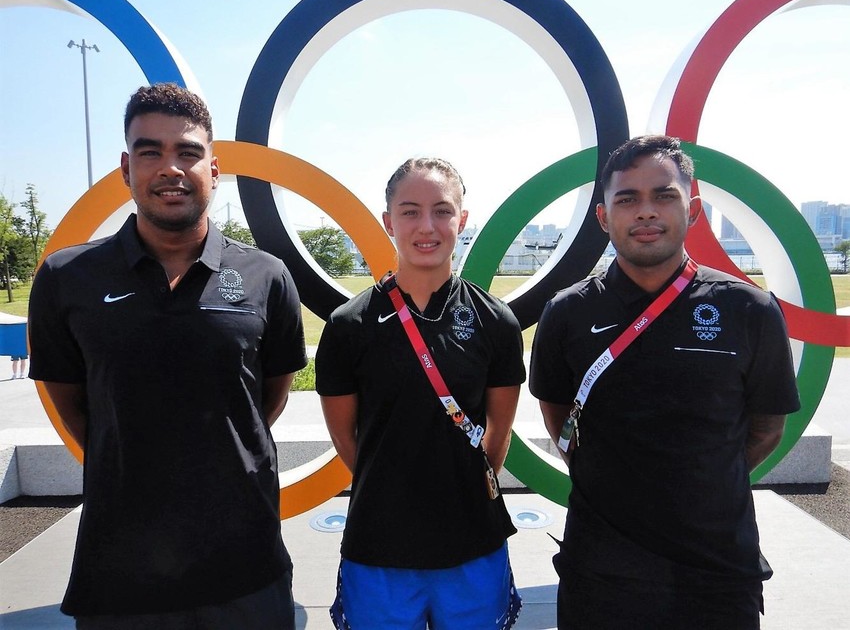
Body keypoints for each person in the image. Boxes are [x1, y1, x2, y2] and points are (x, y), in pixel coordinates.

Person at [28, 83, 307, 629]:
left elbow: (267, 398)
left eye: (187, 152)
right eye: (150, 151)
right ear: (126, 168)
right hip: (122, 567)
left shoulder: (267, 277)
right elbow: (72, 400)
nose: (170, 168)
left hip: (245, 563)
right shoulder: (67, 278)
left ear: (214, 168)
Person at [529, 135, 800, 630]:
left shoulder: (749, 309)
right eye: (627, 199)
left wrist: (701, 481)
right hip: (601, 575)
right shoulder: (567, 312)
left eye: (664, 195)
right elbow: (559, 417)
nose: (645, 212)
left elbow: (767, 429)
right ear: (603, 217)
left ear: (692, 208)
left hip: (716, 574)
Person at [315, 158, 525, 629]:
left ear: (462, 220)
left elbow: (498, 435)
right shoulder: (349, 326)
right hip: (379, 544)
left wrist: (455, 484)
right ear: (388, 221)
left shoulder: (496, 322)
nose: (426, 226)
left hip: (473, 540)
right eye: (409, 211)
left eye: (442, 211)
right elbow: (348, 440)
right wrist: (395, 485)